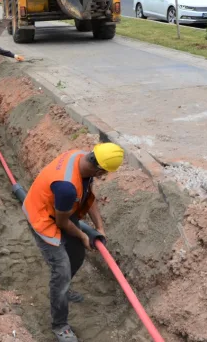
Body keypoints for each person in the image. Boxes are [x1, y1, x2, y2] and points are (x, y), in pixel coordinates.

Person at [22, 143, 125, 342]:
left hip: (61, 209)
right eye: (105, 173)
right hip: (43, 217)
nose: (104, 176)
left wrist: (99, 228)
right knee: (61, 271)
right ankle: (60, 325)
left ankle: (65, 290)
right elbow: (62, 222)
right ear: (100, 169)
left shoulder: (81, 158)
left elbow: (88, 196)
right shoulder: (67, 187)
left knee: (77, 255)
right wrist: (83, 235)